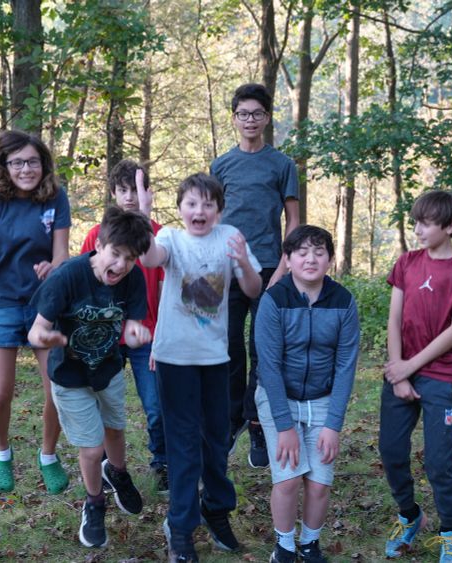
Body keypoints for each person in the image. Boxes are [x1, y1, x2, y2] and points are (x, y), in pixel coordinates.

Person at [140, 172, 262, 562]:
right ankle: (180, 527)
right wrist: (144, 214)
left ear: (219, 209)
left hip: (215, 358)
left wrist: (243, 260)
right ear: (179, 209)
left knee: (217, 437)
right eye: (192, 203)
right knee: (183, 443)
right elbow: (149, 259)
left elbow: (254, 289)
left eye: (208, 204)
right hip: (175, 357)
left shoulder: (230, 237)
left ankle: (216, 507)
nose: (200, 211)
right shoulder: (169, 238)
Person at [27, 206, 153, 548]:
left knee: (115, 429)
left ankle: (119, 473)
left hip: (108, 370)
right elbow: (35, 332)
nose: (121, 266)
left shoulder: (134, 278)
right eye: (116, 254)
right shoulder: (67, 276)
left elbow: (132, 324)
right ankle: (94, 502)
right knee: (92, 447)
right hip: (69, 377)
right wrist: (48, 338)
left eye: (130, 258)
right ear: (99, 245)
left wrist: (137, 333)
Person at [0, 130, 71, 495]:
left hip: (45, 304)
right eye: (18, 162)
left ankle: (48, 455)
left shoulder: (55, 198)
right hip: (1, 304)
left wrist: (53, 268)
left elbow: (62, 254)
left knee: (56, 388)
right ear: (4, 166)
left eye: (33, 161)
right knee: (1, 392)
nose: (26, 169)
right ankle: (1, 451)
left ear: (43, 164)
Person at [379, 190, 452, 563]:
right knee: (390, 451)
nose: (417, 229)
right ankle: (409, 515)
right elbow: (393, 319)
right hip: (400, 370)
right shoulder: (406, 262)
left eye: (425, 223)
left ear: (450, 226)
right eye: (416, 222)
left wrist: (412, 366)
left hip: (442, 376)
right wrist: (398, 370)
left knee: (438, 462)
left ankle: (451, 532)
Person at [255, 225, 359, 563]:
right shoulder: (273, 300)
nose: (310, 259)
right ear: (287, 259)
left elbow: (346, 366)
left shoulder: (343, 302)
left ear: (330, 258)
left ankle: (310, 543)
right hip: (278, 398)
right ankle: (284, 546)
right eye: (302, 252)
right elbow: (268, 366)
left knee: (319, 482)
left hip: (322, 399)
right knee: (288, 479)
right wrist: (284, 425)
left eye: (319, 252)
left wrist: (334, 424)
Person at [210, 83, 299, 469]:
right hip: (226, 268)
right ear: (234, 118)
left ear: (267, 118)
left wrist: (284, 267)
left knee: (263, 350)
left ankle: (257, 420)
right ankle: (230, 421)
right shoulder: (221, 165)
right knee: (228, 347)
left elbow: (294, 220)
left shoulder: (282, 165)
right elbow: (209, 220)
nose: (250, 120)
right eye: (243, 113)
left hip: (269, 268)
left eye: (257, 114)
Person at [80, 160, 168, 492]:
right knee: (103, 403)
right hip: (105, 335)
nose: (131, 197)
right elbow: (85, 285)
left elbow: (165, 289)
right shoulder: (95, 236)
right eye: (124, 190)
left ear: (149, 193)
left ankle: (162, 462)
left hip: (148, 333)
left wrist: (161, 335)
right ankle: (106, 465)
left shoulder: (158, 235)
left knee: (156, 404)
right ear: (114, 193)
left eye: (138, 189)